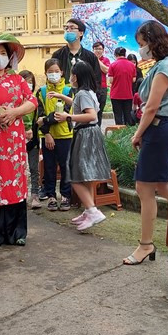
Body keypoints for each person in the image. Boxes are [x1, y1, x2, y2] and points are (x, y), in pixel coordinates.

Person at [125, 21, 168, 265]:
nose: (141, 49)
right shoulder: (165, 64)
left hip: (157, 129)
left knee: (144, 189)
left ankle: (146, 244)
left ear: (153, 41)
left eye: (142, 44)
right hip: (162, 130)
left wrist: (137, 134)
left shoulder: (164, 68)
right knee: (166, 186)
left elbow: (151, 107)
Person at [0, 33, 38, 248]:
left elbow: (32, 101)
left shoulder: (17, 79)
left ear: (10, 57)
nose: (0, 57)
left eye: (3, 53)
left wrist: (14, 112)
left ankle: (17, 232)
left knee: (16, 182)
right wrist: (7, 114)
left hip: (15, 140)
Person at [55, 60, 111, 231]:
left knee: (75, 175)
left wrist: (68, 117)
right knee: (85, 175)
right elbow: (80, 106)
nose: (70, 77)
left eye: (72, 74)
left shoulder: (83, 94)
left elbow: (90, 115)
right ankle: (88, 210)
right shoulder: (88, 92)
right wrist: (63, 98)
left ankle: (93, 211)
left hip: (85, 133)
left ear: (77, 76)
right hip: (90, 133)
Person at [37, 58, 73, 211]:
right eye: (50, 72)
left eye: (56, 71)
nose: (53, 74)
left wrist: (45, 120)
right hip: (48, 137)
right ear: (45, 73)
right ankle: (51, 195)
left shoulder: (68, 91)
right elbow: (38, 115)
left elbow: (62, 114)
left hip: (65, 135)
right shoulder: (42, 92)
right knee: (49, 168)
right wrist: (47, 134)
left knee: (66, 167)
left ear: (62, 72)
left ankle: (65, 195)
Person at [51, 18, 102, 98]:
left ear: (81, 33)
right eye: (66, 28)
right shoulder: (57, 55)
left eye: (72, 28)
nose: (68, 30)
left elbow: (96, 80)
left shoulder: (91, 57)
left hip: (84, 98)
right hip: (62, 97)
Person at [20, 69, 43, 209]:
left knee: (34, 168)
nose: (28, 85)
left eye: (30, 82)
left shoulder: (34, 100)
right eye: (25, 82)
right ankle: (21, 196)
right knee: (20, 169)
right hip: (17, 140)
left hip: (33, 139)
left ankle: (35, 195)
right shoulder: (14, 102)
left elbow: (39, 117)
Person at [107, 47, 136, 125]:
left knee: (118, 116)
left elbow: (111, 80)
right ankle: (127, 134)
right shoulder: (132, 65)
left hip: (116, 95)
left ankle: (119, 133)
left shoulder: (112, 65)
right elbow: (134, 80)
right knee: (128, 116)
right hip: (128, 95)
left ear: (116, 55)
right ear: (125, 54)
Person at [92, 41, 111, 125]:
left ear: (103, 50)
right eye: (96, 49)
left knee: (100, 111)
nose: (98, 51)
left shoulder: (106, 60)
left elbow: (106, 70)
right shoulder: (89, 59)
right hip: (91, 88)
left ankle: (98, 130)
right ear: (93, 50)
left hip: (102, 88)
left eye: (100, 49)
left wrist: (97, 60)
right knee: (91, 110)